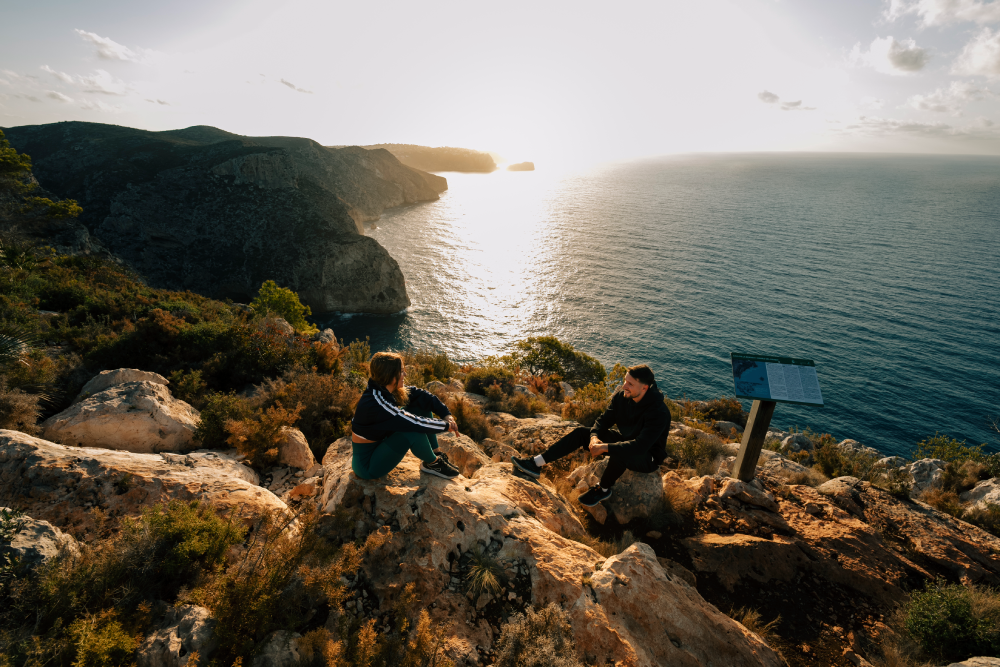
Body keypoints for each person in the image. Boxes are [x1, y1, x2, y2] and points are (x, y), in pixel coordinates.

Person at [512, 364, 670, 506]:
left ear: (644, 388)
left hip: (647, 456)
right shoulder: (622, 398)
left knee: (621, 453)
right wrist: (594, 437)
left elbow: (640, 446)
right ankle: (536, 463)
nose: (624, 386)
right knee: (581, 433)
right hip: (627, 441)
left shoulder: (658, 412)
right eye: (625, 381)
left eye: (630, 384)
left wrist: (605, 447)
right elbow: (602, 421)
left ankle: (603, 489)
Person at [351, 351, 461, 480]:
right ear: (389, 374)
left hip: (379, 447)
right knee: (412, 431)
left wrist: (446, 414)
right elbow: (414, 423)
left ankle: (436, 455)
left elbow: (421, 396)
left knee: (420, 407)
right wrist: (446, 426)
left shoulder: (383, 389)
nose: (405, 374)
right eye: (402, 371)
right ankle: (432, 464)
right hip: (367, 466)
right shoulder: (377, 403)